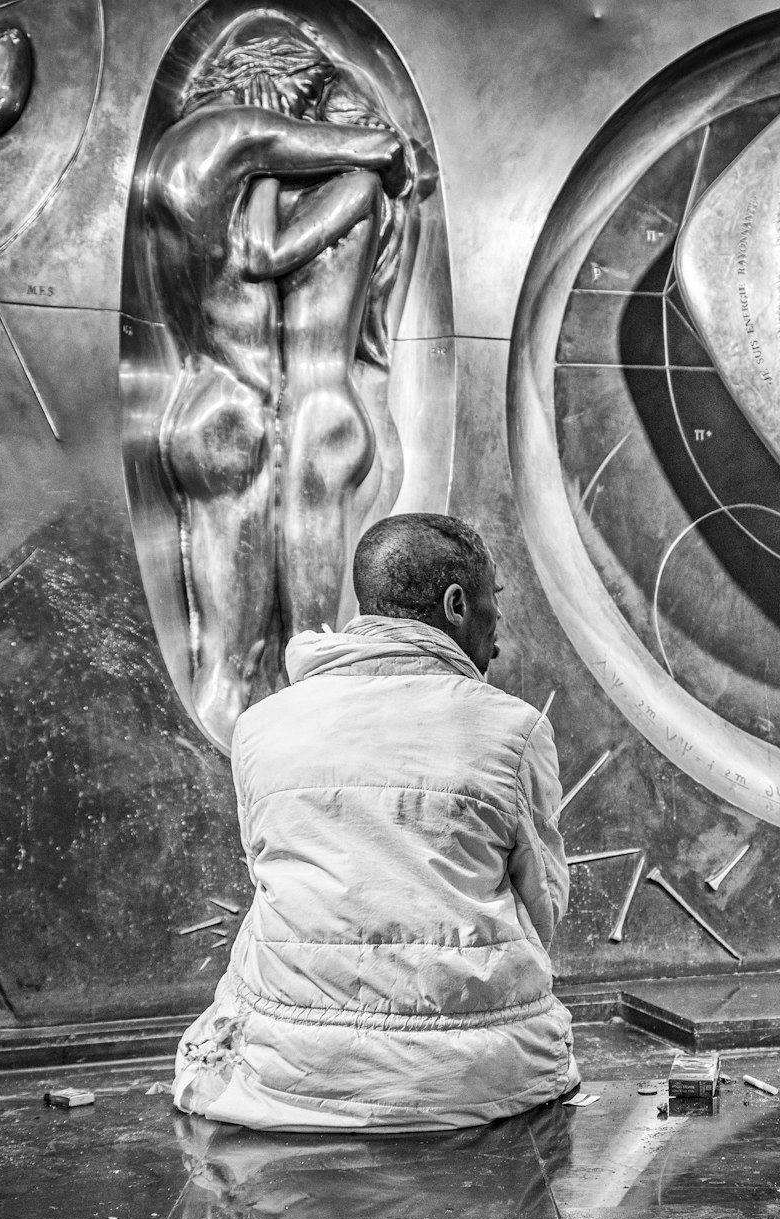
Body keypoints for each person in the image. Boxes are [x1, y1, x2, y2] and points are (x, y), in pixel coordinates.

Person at [173, 512, 580, 1131]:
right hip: (474, 1079)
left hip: (290, 1072)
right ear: (455, 604)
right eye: (492, 605)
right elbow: (543, 908)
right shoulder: (514, 730)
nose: (496, 638)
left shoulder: (261, 728)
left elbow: (266, 874)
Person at [144, 13, 413, 750]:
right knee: (308, 666)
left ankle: (236, 798)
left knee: (230, 676)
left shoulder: (194, 167)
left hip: (218, 403)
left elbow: (258, 245)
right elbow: (377, 152)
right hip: (300, 412)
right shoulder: (231, 141)